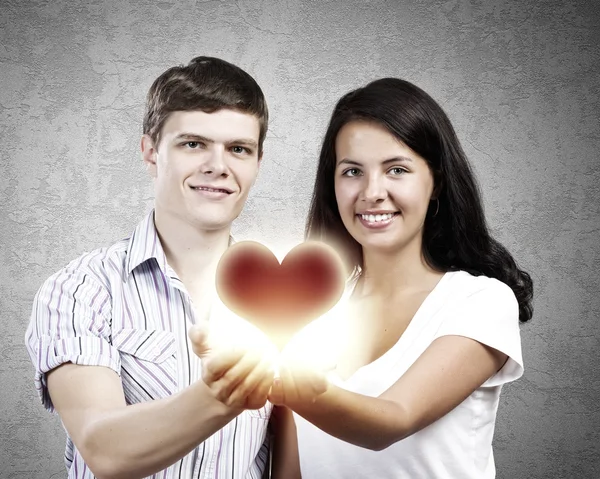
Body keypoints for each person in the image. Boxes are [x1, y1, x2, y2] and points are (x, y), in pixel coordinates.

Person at [24, 56, 277, 479]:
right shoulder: (80, 289)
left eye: (238, 149)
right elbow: (104, 449)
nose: (218, 165)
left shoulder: (280, 299)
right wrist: (223, 395)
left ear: (256, 162)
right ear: (150, 152)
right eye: (193, 144)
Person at [268, 78, 534, 478]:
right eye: (352, 171)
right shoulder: (309, 311)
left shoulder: (479, 301)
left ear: (436, 182)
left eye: (396, 169)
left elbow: (392, 419)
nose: (372, 192)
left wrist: (279, 383)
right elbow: (288, 471)